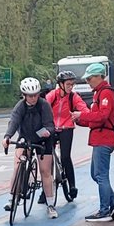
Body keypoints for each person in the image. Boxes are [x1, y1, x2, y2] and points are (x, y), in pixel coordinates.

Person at [2, 77, 58, 219]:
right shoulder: (20, 106)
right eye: (30, 96)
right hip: (26, 137)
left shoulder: (44, 105)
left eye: (35, 95)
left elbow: (50, 125)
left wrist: (48, 132)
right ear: (24, 95)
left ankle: (50, 204)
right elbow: (13, 122)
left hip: (43, 139)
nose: (33, 98)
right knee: (17, 165)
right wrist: (7, 137)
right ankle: (12, 198)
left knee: (45, 171)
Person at [72, 62, 114, 222]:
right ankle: (113, 205)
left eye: (90, 78)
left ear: (100, 77)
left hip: (104, 139)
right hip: (101, 137)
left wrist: (82, 116)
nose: (88, 81)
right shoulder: (99, 93)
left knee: (101, 175)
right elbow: (96, 119)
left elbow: (102, 116)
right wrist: (80, 120)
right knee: (96, 173)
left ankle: (104, 210)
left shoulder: (105, 93)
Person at [46, 70, 87, 203]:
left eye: (72, 84)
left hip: (66, 128)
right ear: (61, 84)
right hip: (51, 129)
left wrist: (83, 113)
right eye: (68, 84)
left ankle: (72, 185)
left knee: (65, 157)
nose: (71, 87)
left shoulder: (73, 97)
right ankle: (45, 190)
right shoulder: (53, 95)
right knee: (47, 159)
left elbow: (84, 109)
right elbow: (44, 107)